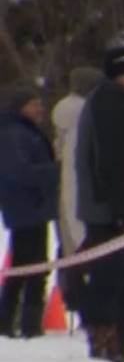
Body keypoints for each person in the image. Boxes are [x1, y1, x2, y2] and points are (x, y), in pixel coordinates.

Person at [74, 40, 124, 362]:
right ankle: (106, 341)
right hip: (108, 211)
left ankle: (118, 340)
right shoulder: (108, 102)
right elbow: (112, 161)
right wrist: (122, 211)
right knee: (110, 276)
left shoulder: (120, 102)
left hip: (117, 208)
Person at [0, 85, 58, 337]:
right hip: (26, 208)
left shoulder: (26, 132)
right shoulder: (15, 134)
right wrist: (55, 170)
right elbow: (19, 172)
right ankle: (27, 324)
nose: (40, 109)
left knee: (27, 266)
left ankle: (14, 321)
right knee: (31, 268)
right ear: (21, 106)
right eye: (35, 104)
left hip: (32, 208)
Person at [52, 67, 101, 301]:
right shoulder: (85, 114)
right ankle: (80, 297)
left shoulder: (63, 111)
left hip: (63, 185)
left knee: (68, 244)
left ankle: (70, 294)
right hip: (77, 188)